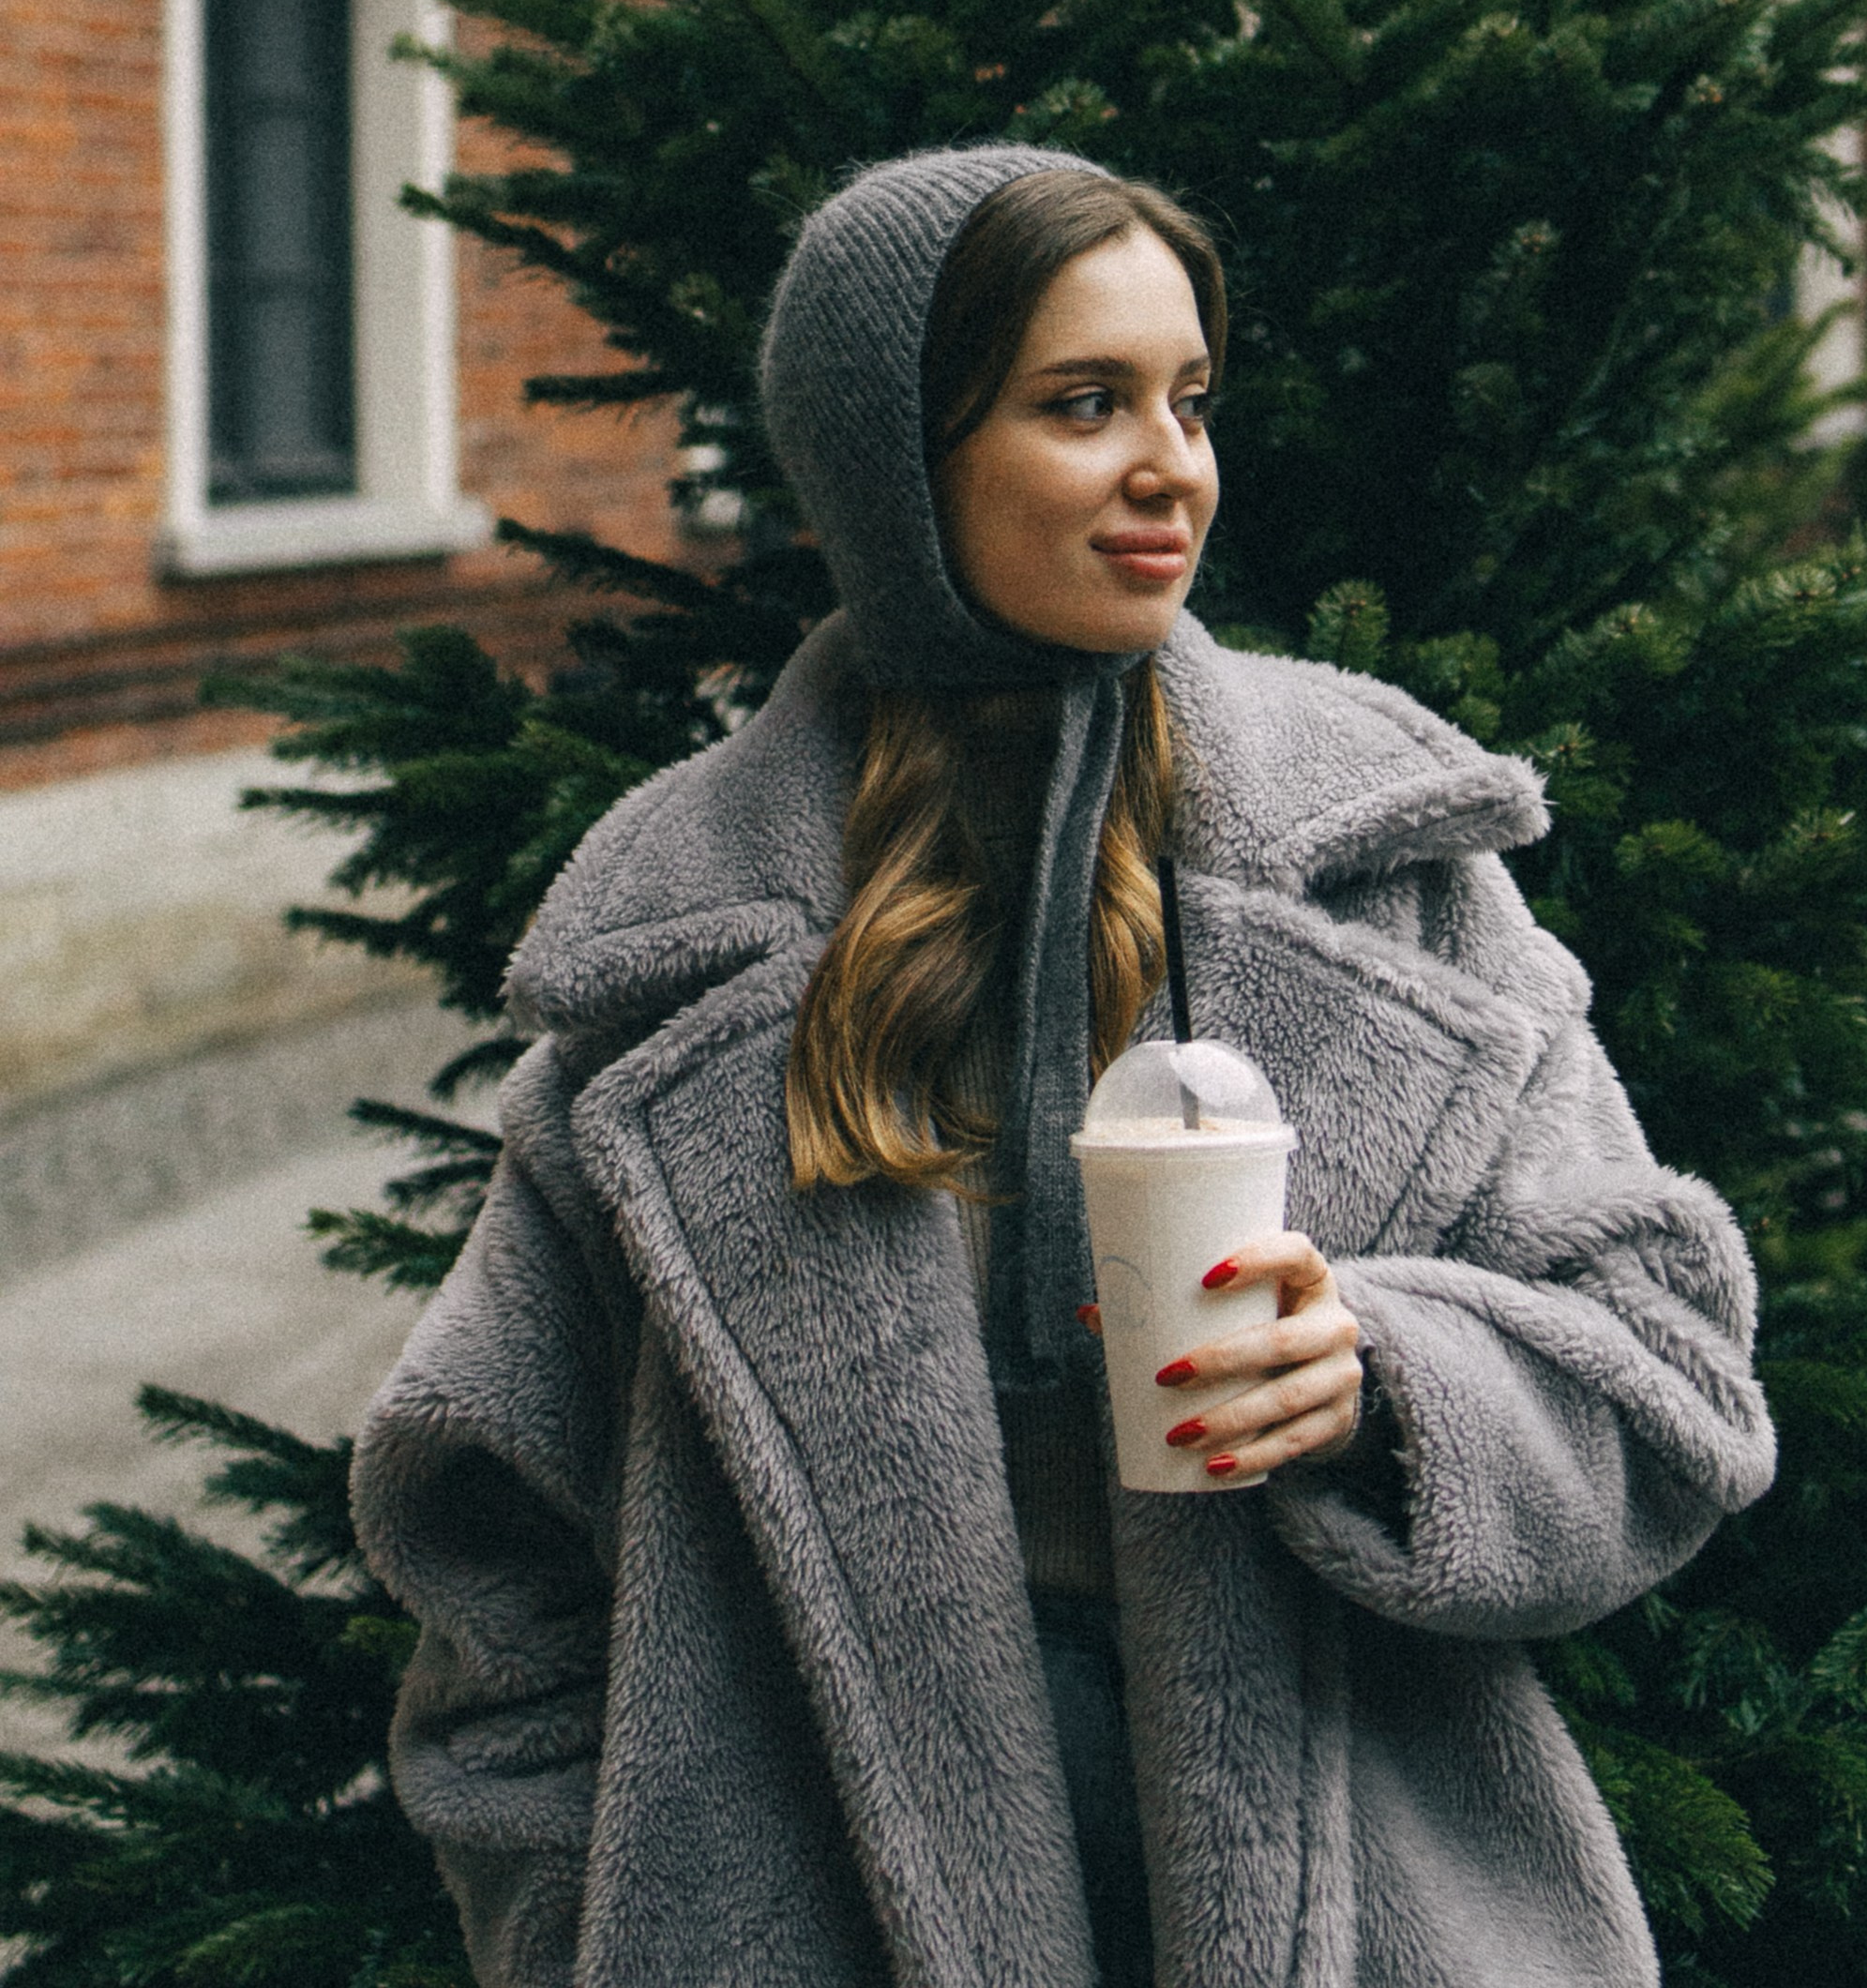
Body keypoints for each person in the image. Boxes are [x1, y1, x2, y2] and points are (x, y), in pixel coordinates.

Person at [353, 143, 1776, 1988]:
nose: (1169, 462)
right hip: (813, 1913)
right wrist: (577, 1920)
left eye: (1190, 399)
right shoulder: (677, 947)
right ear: (899, 460)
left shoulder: (1391, 860)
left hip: (1373, 1910)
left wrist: (1381, 1385)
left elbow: (1670, 1367)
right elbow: (488, 1531)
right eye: (1083, 404)